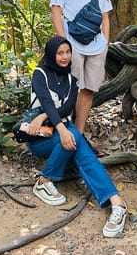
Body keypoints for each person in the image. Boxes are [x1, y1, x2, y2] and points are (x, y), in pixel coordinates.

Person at [25, 35, 127, 238]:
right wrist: (61, 129)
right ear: (51, 54)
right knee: (73, 135)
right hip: (41, 137)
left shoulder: (73, 81)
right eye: (60, 53)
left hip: (62, 129)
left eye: (67, 52)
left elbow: (65, 108)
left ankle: (116, 203)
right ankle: (44, 181)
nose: (64, 57)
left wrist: (56, 124)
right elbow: (46, 101)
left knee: (76, 140)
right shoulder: (40, 74)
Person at [50, 0, 112, 133]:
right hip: (72, 42)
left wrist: (106, 43)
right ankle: (65, 131)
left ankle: (79, 132)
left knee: (88, 89)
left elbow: (105, 16)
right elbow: (56, 9)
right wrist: (62, 41)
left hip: (96, 45)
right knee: (70, 87)